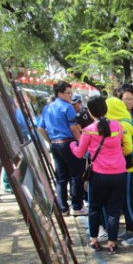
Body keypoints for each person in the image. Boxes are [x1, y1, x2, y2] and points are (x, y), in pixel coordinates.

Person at [70, 96, 126, 254]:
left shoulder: (89, 130)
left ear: (90, 111)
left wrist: (72, 145)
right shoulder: (118, 126)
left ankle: (94, 241)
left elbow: (80, 153)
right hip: (119, 173)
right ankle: (112, 243)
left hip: (99, 175)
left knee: (94, 208)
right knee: (114, 210)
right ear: (106, 109)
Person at [37, 81, 87, 216]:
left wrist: (51, 141)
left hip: (55, 144)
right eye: (68, 93)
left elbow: (41, 128)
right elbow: (73, 127)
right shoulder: (67, 107)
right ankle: (77, 206)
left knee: (61, 177)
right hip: (69, 143)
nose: (70, 96)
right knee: (76, 175)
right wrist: (80, 141)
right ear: (59, 93)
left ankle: (63, 208)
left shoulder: (47, 108)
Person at [105, 97, 133, 246]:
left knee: (127, 203)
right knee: (132, 202)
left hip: (129, 169)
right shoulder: (127, 122)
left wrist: (113, 152)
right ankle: (130, 230)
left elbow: (127, 148)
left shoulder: (121, 125)